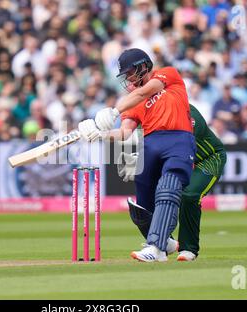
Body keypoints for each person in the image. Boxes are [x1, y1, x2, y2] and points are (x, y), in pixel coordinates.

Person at [78, 48, 196, 262]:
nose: (129, 79)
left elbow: (143, 92)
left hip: (178, 139)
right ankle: (165, 241)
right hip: (150, 144)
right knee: (141, 207)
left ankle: (156, 248)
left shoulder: (168, 74)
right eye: (126, 75)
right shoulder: (133, 101)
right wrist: (101, 134)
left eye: (131, 72)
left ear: (144, 65)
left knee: (168, 188)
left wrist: (113, 110)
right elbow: (124, 132)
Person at [117, 104, 227, 261]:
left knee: (188, 195)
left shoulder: (185, 111)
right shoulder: (147, 112)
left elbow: (181, 147)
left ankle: (189, 249)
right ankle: (164, 243)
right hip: (179, 157)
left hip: (208, 159)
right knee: (152, 192)